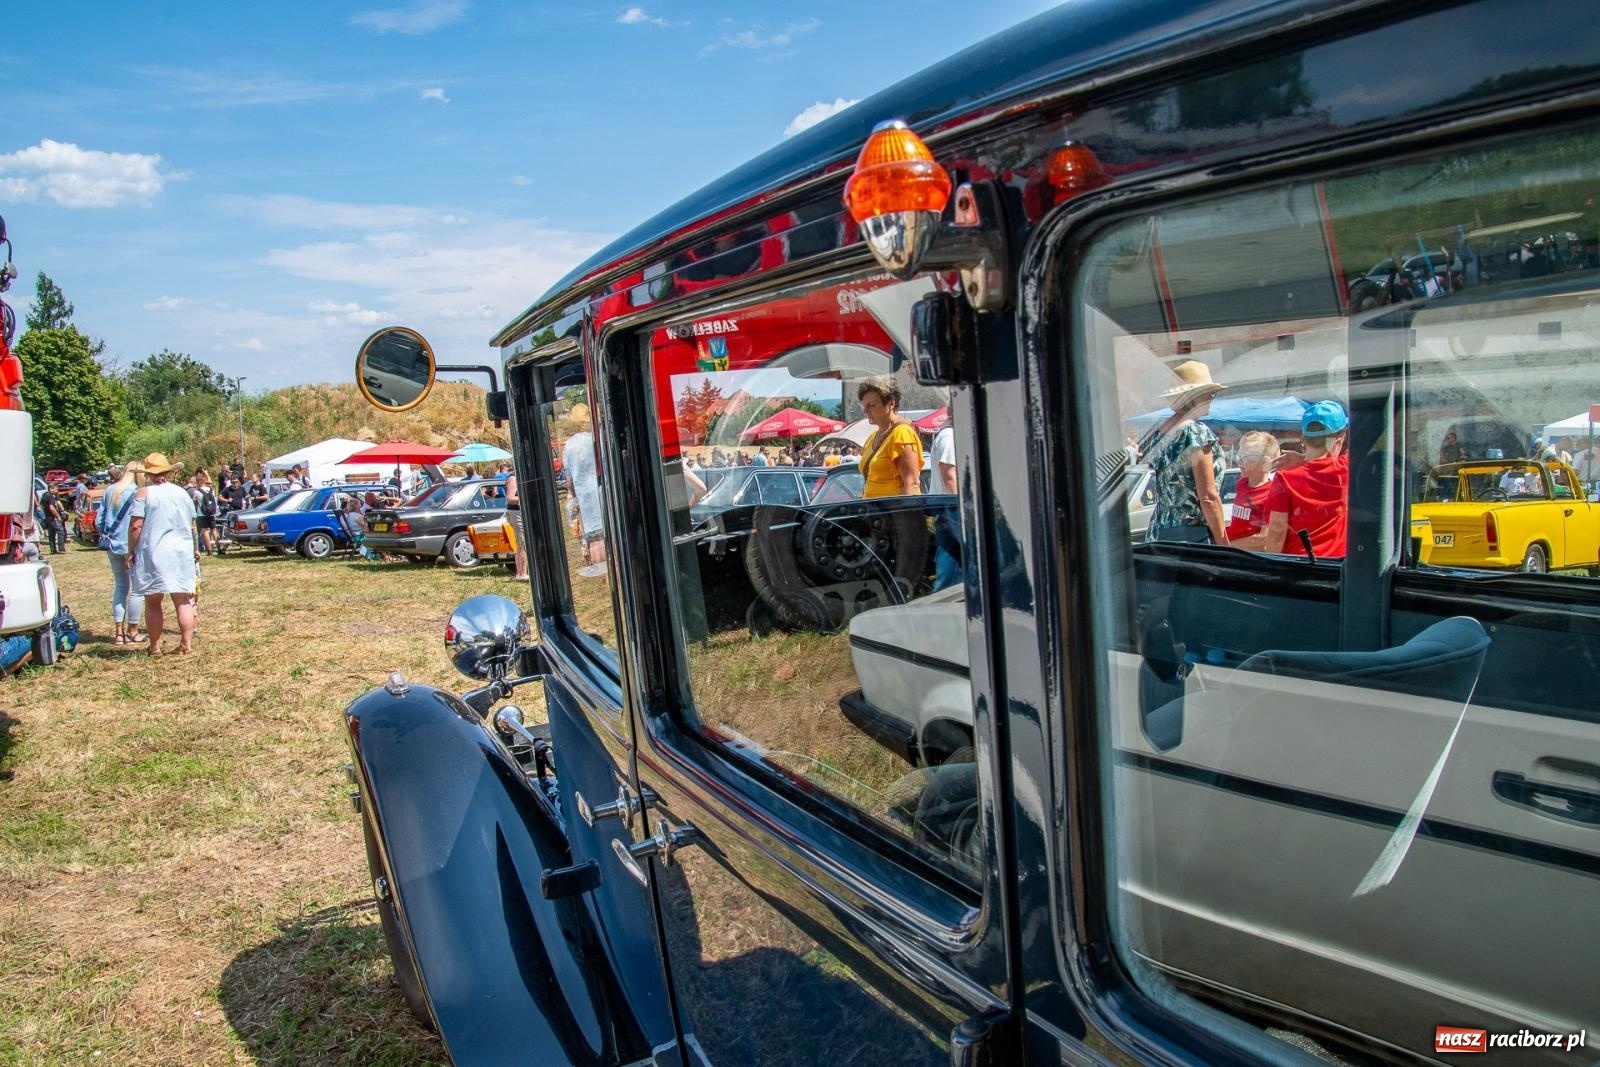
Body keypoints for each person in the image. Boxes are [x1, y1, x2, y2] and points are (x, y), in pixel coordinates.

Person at [1145, 361, 1229, 545]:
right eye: (1210, 394)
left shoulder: (1162, 431)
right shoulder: (1196, 433)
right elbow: (1208, 496)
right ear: (1195, 397)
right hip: (1192, 535)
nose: (1211, 398)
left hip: (1160, 530)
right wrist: (1224, 543)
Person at [126, 452, 199, 655]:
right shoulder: (183, 493)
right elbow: (193, 524)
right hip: (181, 551)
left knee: (153, 601)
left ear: (148, 474)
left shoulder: (143, 494)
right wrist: (195, 548)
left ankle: (155, 646)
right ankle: (186, 643)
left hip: (153, 551)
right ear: (168, 472)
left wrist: (130, 550)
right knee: (183, 599)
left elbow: (136, 525)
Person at [1263, 401, 1349, 559]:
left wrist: (1272, 566)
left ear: (1302, 438)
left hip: (1298, 566)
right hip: (1336, 567)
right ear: (1340, 438)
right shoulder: (1346, 469)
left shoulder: (1285, 478)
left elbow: (1277, 530)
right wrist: (1302, 459)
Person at [98, 463, 147, 644]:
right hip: (132, 546)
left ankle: (118, 632)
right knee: (136, 589)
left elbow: (99, 520)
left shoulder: (110, 491)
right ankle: (132, 631)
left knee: (120, 586)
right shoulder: (139, 492)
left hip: (112, 545)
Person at [857, 377, 922, 498]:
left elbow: (911, 484)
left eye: (871, 405)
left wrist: (900, 515)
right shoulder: (873, 437)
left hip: (894, 514)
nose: (866, 411)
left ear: (891, 403)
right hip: (875, 513)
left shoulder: (902, 433)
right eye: (864, 406)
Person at [1225, 430, 1280, 551]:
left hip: (1249, 555)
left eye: (1245, 457)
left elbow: (1264, 539)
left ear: (1265, 462)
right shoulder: (1242, 483)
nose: (1240, 462)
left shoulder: (1271, 493)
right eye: (1239, 456)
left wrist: (1227, 545)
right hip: (1233, 550)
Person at [563, 428, 607, 574]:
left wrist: (574, 495)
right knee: (602, 534)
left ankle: (603, 575)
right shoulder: (595, 437)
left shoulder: (569, 446)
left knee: (594, 537)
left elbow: (569, 481)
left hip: (585, 496)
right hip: (601, 488)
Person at [929, 421, 961, 590]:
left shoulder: (948, 435)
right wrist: (959, 518)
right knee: (949, 586)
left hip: (951, 515)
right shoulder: (949, 436)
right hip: (953, 515)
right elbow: (950, 478)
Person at [503, 470, 529, 581]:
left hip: (519, 513)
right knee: (522, 543)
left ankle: (520, 573)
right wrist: (527, 498)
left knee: (521, 544)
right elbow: (510, 498)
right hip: (515, 513)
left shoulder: (519, 477)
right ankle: (522, 573)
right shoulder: (513, 478)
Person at [194, 469, 219, 554]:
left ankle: (209, 550)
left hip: (202, 514)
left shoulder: (196, 492)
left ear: (198, 482)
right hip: (212, 513)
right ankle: (219, 548)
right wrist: (206, 473)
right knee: (214, 530)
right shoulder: (211, 490)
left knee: (205, 531)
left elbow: (195, 502)